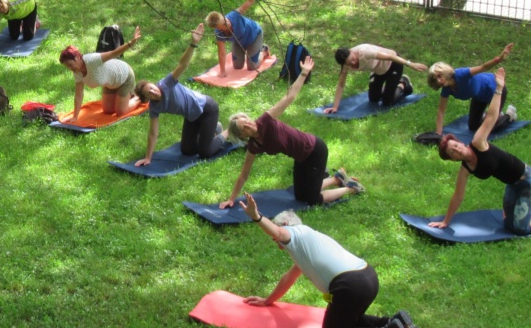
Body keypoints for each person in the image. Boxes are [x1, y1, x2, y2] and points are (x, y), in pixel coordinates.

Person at [238, 194, 423, 328]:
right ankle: (393, 322)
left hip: (350, 285)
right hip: (368, 276)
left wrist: (256, 216)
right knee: (348, 320)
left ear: (286, 224)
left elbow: (278, 231)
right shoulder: (308, 245)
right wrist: (267, 300)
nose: (276, 242)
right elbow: (289, 278)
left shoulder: (294, 233)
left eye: (275, 238)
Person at [221, 56, 363, 209]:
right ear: (243, 136)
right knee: (300, 196)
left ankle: (352, 187)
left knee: (312, 199)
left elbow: (289, 97)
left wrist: (303, 73)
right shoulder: (254, 145)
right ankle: (337, 179)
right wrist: (232, 198)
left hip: (314, 151)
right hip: (301, 158)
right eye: (245, 128)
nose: (249, 125)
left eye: (247, 121)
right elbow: (244, 175)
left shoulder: (265, 120)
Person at [432, 67, 531, 235]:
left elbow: (491, 117)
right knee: (508, 224)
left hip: (529, 181)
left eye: (456, 146)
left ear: (462, 144)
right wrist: (445, 221)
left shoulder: (478, 142)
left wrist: (499, 88)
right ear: (454, 160)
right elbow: (458, 196)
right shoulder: (465, 168)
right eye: (452, 153)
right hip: (513, 185)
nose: (457, 151)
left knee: (521, 229)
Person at [132, 23, 226, 165]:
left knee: (205, 152)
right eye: (149, 94)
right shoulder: (154, 107)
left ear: (154, 84)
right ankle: (213, 130)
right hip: (192, 116)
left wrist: (193, 43)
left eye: (152, 87)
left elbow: (182, 65)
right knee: (188, 151)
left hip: (207, 108)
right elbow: (153, 133)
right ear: (147, 99)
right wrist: (148, 158)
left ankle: (228, 132)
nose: (153, 91)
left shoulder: (166, 84)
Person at [428, 42, 516, 135]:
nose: (439, 80)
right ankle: (492, 115)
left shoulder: (461, 74)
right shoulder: (446, 88)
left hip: (496, 89)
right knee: (473, 127)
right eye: (435, 79)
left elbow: (483, 67)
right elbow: (441, 111)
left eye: (439, 75)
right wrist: (438, 135)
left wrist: (500, 58)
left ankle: (509, 115)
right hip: (479, 97)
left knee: (488, 129)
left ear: (444, 71)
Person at [59, 26, 142, 123]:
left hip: (124, 76)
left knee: (120, 112)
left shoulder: (92, 60)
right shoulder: (77, 72)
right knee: (108, 111)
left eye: (70, 65)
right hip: (110, 84)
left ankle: (139, 95)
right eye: (67, 67)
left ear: (77, 57)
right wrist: (75, 117)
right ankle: (125, 96)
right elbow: (78, 95)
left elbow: (113, 53)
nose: (70, 69)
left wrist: (130, 43)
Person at [324, 44, 427, 114]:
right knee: (374, 98)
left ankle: (403, 83)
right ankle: (389, 87)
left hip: (393, 64)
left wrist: (410, 64)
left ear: (351, 51)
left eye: (353, 59)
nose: (353, 63)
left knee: (387, 102)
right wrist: (335, 107)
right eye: (349, 63)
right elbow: (341, 84)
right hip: (378, 70)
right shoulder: (346, 64)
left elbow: (390, 57)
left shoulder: (364, 52)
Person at [204, 0, 269, 77]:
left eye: (225, 21)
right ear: (219, 29)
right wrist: (222, 70)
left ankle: (264, 50)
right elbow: (221, 51)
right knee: (237, 66)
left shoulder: (235, 15)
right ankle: (246, 53)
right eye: (223, 26)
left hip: (254, 36)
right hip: (239, 42)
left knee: (251, 67)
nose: (227, 24)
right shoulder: (219, 32)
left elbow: (250, 0)